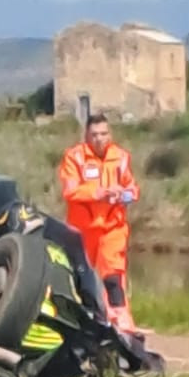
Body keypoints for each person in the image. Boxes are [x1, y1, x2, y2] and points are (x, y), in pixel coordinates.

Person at [58, 112, 141, 333]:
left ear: (110, 134)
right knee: (80, 276)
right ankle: (84, 320)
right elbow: (71, 191)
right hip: (82, 230)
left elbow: (133, 190)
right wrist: (100, 193)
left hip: (113, 227)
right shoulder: (74, 158)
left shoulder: (121, 158)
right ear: (86, 135)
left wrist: (121, 195)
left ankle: (121, 319)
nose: (99, 138)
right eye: (94, 134)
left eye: (104, 133)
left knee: (113, 272)